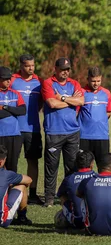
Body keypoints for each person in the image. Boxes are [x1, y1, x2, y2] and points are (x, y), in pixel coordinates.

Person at [41, 57, 84, 207]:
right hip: (54, 131)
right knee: (51, 166)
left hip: (73, 131)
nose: (65, 72)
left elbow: (81, 102)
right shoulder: (48, 83)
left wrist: (62, 97)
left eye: (67, 69)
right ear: (56, 69)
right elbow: (51, 103)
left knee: (71, 167)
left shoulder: (74, 83)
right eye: (62, 69)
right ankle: (49, 198)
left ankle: (69, 196)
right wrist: (70, 100)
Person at [11, 54, 44, 204]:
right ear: (21, 66)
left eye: (32, 65)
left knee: (33, 161)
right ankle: (10, 190)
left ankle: (32, 193)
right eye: (27, 65)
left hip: (33, 129)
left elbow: (41, 104)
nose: (31, 68)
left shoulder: (39, 82)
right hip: (14, 129)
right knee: (12, 161)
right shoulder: (12, 80)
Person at [77, 153, 111, 236]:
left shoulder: (87, 181)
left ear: (98, 167)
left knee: (84, 199)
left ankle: (89, 223)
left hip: (91, 230)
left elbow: (78, 194)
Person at [78, 66, 111, 166]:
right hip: (84, 136)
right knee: (84, 167)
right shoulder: (81, 92)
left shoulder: (106, 93)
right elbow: (76, 112)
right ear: (88, 79)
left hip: (102, 136)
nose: (96, 84)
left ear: (101, 78)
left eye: (98, 81)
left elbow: (109, 112)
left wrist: (99, 121)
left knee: (103, 166)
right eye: (93, 81)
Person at [56, 150, 95, 228]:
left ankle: (71, 214)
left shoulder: (69, 178)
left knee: (64, 197)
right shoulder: (97, 177)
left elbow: (60, 195)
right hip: (95, 221)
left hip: (77, 222)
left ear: (76, 163)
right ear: (92, 164)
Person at [0, 66, 26, 173]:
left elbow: (23, 110)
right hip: (1, 135)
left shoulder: (15, 93)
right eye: (5, 79)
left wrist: (6, 107)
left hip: (15, 135)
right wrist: (13, 111)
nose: (8, 81)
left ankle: (12, 189)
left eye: (9, 78)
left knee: (12, 165)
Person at [0, 145, 33, 227]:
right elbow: (29, 180)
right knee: (22, 185)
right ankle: (22, 217)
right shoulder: (6, 174)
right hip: (2, 220)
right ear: (2, 161)